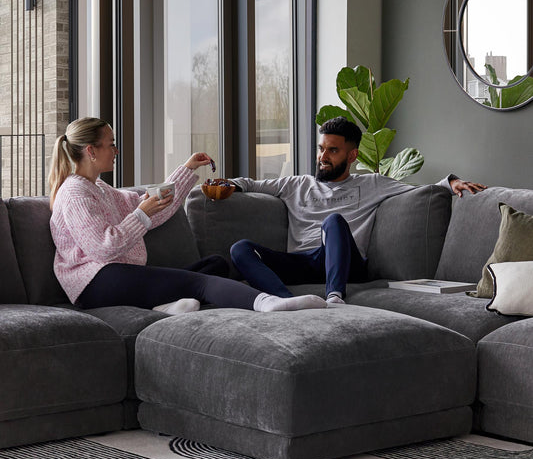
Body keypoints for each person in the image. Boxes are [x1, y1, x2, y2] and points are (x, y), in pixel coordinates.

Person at [48, 117, 327, 314]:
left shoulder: (100, 189)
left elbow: (155, 206)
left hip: (116, 275)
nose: (116, 150)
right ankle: (268, 303)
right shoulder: (75, 192)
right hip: (93, 283)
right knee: (201, 283)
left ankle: (165, 306)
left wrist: (186, 169)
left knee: (215, 264)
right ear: (91, 151)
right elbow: (103, 246)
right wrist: (141, 214)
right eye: (111, 144)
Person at [230, 116, 487, 306]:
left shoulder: (371, 183)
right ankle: (285, 301)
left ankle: (334, 298)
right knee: (240, 248)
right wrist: (226, 184)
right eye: (321, 149)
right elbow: (251, 183)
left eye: (333, 150)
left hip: (347, 263)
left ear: (351, 156)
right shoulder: (296, 184)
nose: (323, 157)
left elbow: (422, 190)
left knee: (333, 222)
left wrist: (451, 182)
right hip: (304, 262)